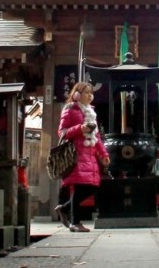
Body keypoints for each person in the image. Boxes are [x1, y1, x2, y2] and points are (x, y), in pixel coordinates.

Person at [53, 82, 110, 232]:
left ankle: (65, 210)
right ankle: (75, 222)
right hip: (76, 153)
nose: (90, 95)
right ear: (77, 94)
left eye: (91, 92)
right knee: (79, 188)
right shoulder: (70, 109)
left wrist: (104, 154)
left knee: (92, 186)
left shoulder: (91, 112)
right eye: (86, 92)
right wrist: (80, 128)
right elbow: (62, 132)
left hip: (90, 153)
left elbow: (96, 136)